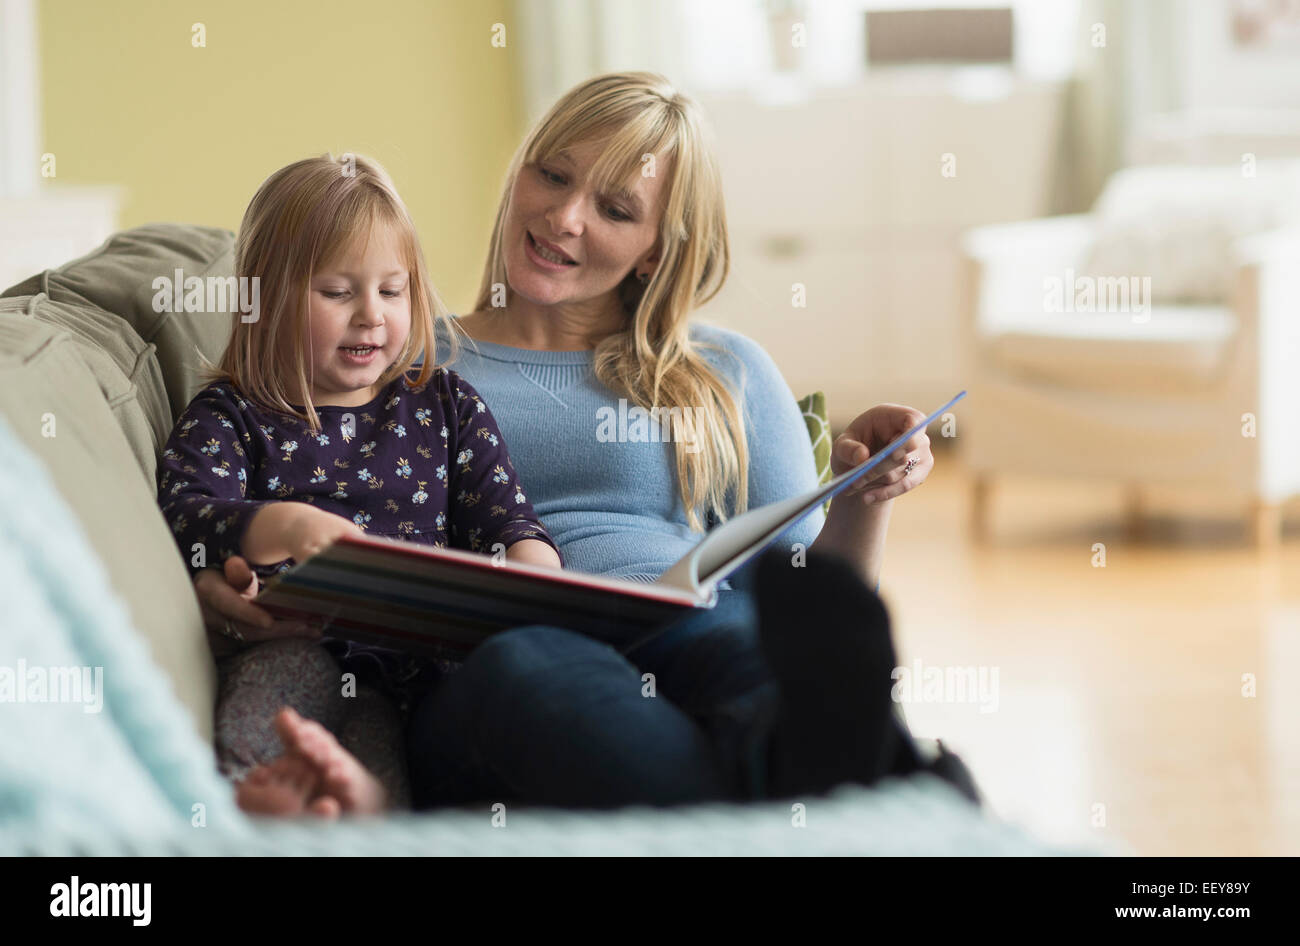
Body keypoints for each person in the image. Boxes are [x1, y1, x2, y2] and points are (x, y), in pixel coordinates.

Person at [197, 73, 979, 815]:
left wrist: (864, 491)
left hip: (690, 623)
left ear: (655, 249)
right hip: (499, 662)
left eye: (614, 207)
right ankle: (832, 808)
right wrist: (236, 581)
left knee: (747, 646)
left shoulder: (721, 369)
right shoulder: (396, 361)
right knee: (536, 668)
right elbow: (276, 491)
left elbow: (810, 592)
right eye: (553, 175)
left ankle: (838, 778)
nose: (566, 218)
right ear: (519, 174)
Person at [157, 153, 561, 815]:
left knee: (379, 757)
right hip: (295, 642)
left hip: (417, 673)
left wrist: (535, 576)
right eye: (338, 292)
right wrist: (275, 525)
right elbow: (182, 514)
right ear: (265, 300)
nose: (371, 315)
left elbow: (507, 519)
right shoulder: (232, 415)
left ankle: (353, 815)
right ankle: (251, 803)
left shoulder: (444, 404)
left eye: (393, 291)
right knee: (275, 692)